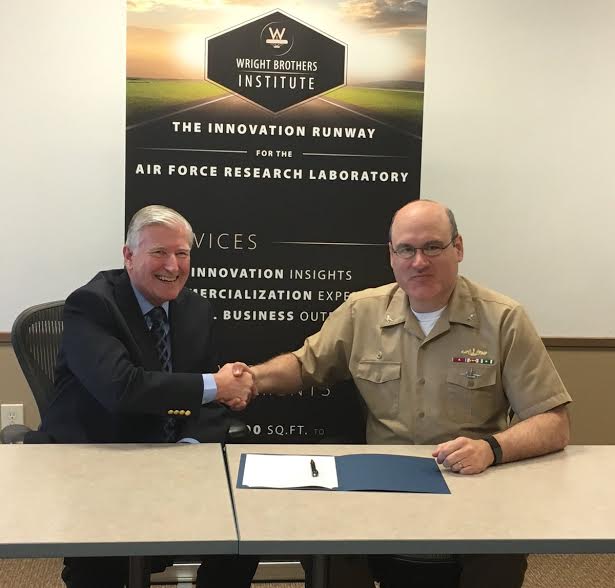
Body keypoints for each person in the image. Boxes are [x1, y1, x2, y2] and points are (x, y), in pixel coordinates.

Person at [250, 199, 571, 588]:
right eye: (406, 249)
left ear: (458, 248)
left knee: (501, 552)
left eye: (432, 247)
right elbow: (304, 366)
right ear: (392, 255)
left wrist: (491, 449)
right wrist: (249, 379)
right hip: (381, 488)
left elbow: (553, 422)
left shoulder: (503, 319)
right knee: (321, 543)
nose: (419, 262)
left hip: (472, 488)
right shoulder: (362, 312)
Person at [40, 205, 258, 588]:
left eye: (182, 253)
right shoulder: (92, 304)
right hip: (101, 462)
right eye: (159, 252)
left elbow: (207, 398)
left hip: (176, 459)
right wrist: (218, 385)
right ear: (128, 255)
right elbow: (121, 388)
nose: (173, 266)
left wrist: (189, 447)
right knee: (102, 573)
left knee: (247, 527)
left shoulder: (195, 308)